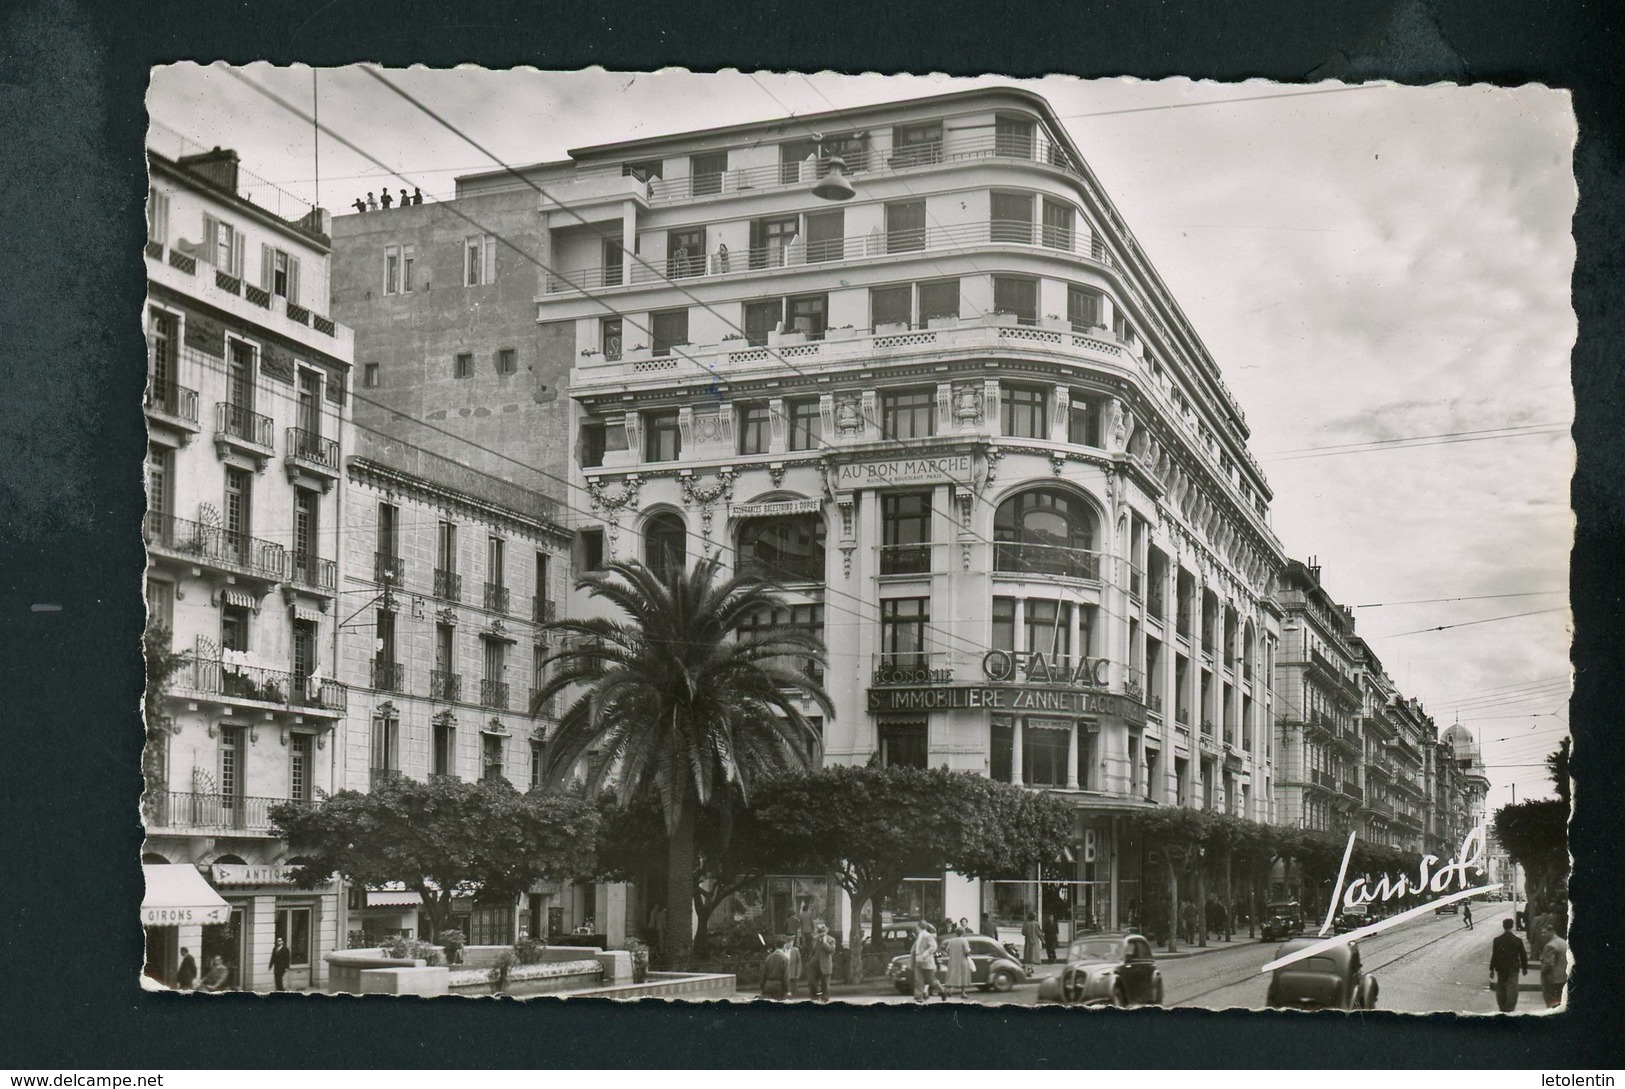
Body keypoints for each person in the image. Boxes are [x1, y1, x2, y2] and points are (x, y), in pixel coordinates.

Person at [1489, 917, 1529, 1012]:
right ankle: (1510, 1007)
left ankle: (1502, 1006)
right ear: (1512, 926)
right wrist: (1524, 968)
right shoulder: (1517, 940)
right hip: (1513, 968)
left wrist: (1492, 969)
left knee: (1501, 988)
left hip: (1501, 968)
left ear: (1503, 926)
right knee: (1512, 988)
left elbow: (1494, 955)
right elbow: (1523, 955)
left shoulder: (1497, 940)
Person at [1540, 921, 1570, 1009]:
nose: (1543, 935)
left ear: (1551, 932)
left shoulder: (1550, 946)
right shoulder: (1563, 942)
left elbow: (1548, 964)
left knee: (1551, 1003)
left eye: (1544, 932)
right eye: (1542, 933)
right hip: (1563, 978)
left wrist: (1543, 973)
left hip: (1552, 980)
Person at [807, 920, 837, 1003]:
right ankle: (814, 997)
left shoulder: (831, 940)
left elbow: (831, 950)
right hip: (814, 965)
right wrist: (810, 961)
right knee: (811, 982)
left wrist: (824, 942)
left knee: (825, 986)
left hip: (825, 965)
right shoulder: (815, 939)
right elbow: (812, 951)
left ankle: (825, 1000)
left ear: (826, 931)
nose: (821, 934)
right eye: (819, 932)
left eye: (823, 932)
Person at [911, 922, 940, 1003]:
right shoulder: (919, 936)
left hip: (925, 960)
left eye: (917, 927)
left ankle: (941, 990)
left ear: (919, 927)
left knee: (930, 980)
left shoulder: (927, 936)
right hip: (919, 959)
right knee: (918, 979)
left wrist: (925, 954)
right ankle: (919, 996)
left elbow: (933, 947)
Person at [942, 925, 973, 1000]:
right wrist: (968, 954)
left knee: (952, 975)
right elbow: (967, 951)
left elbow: (947, 950)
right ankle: (963, 993)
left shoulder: (951, 940)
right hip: (962, 960)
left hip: (953, 960)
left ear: (956, 933)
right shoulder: (964, 940)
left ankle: (950, 990)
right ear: (963, 933)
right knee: (963, 976)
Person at [761, 936, 795, 1000]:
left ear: (775, 945)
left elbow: (763, 974)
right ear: (784, 945)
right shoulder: (784, 959)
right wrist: (787, 990)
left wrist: (763, 986)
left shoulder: (768, 958)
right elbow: (786, 976)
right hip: (778, 986)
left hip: (768, 985)